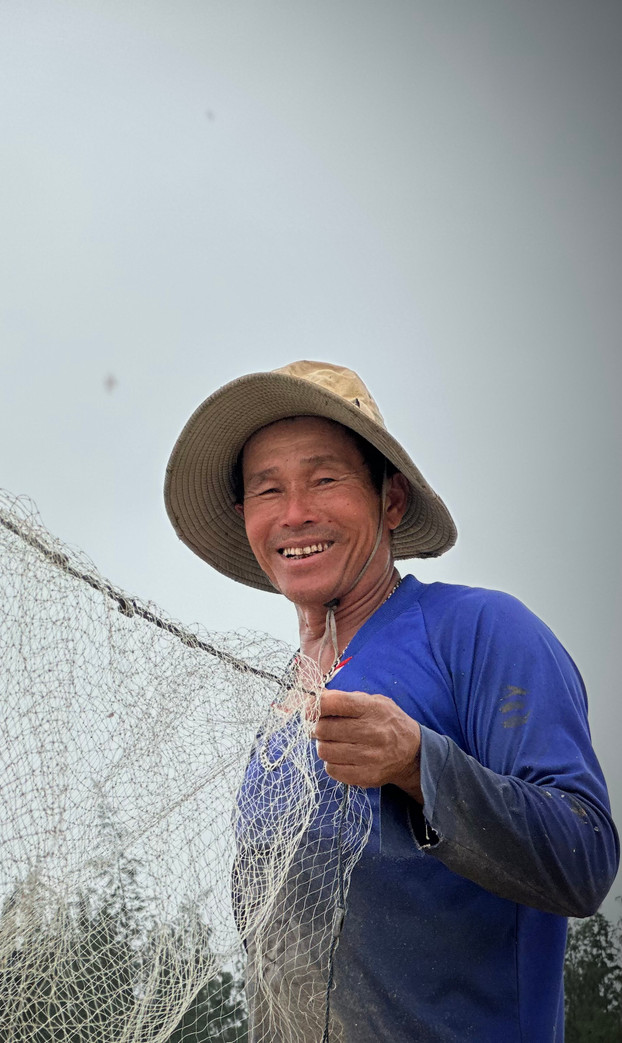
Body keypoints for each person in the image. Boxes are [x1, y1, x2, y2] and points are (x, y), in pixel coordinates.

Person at [164, 361, 618, 1041]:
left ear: (392, 499)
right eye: (268, 489)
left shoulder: (481, 632)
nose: (296, 513)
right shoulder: (282, 705)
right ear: (246, 517)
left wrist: (417, 763)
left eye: (325, 478)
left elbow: (585, 857)